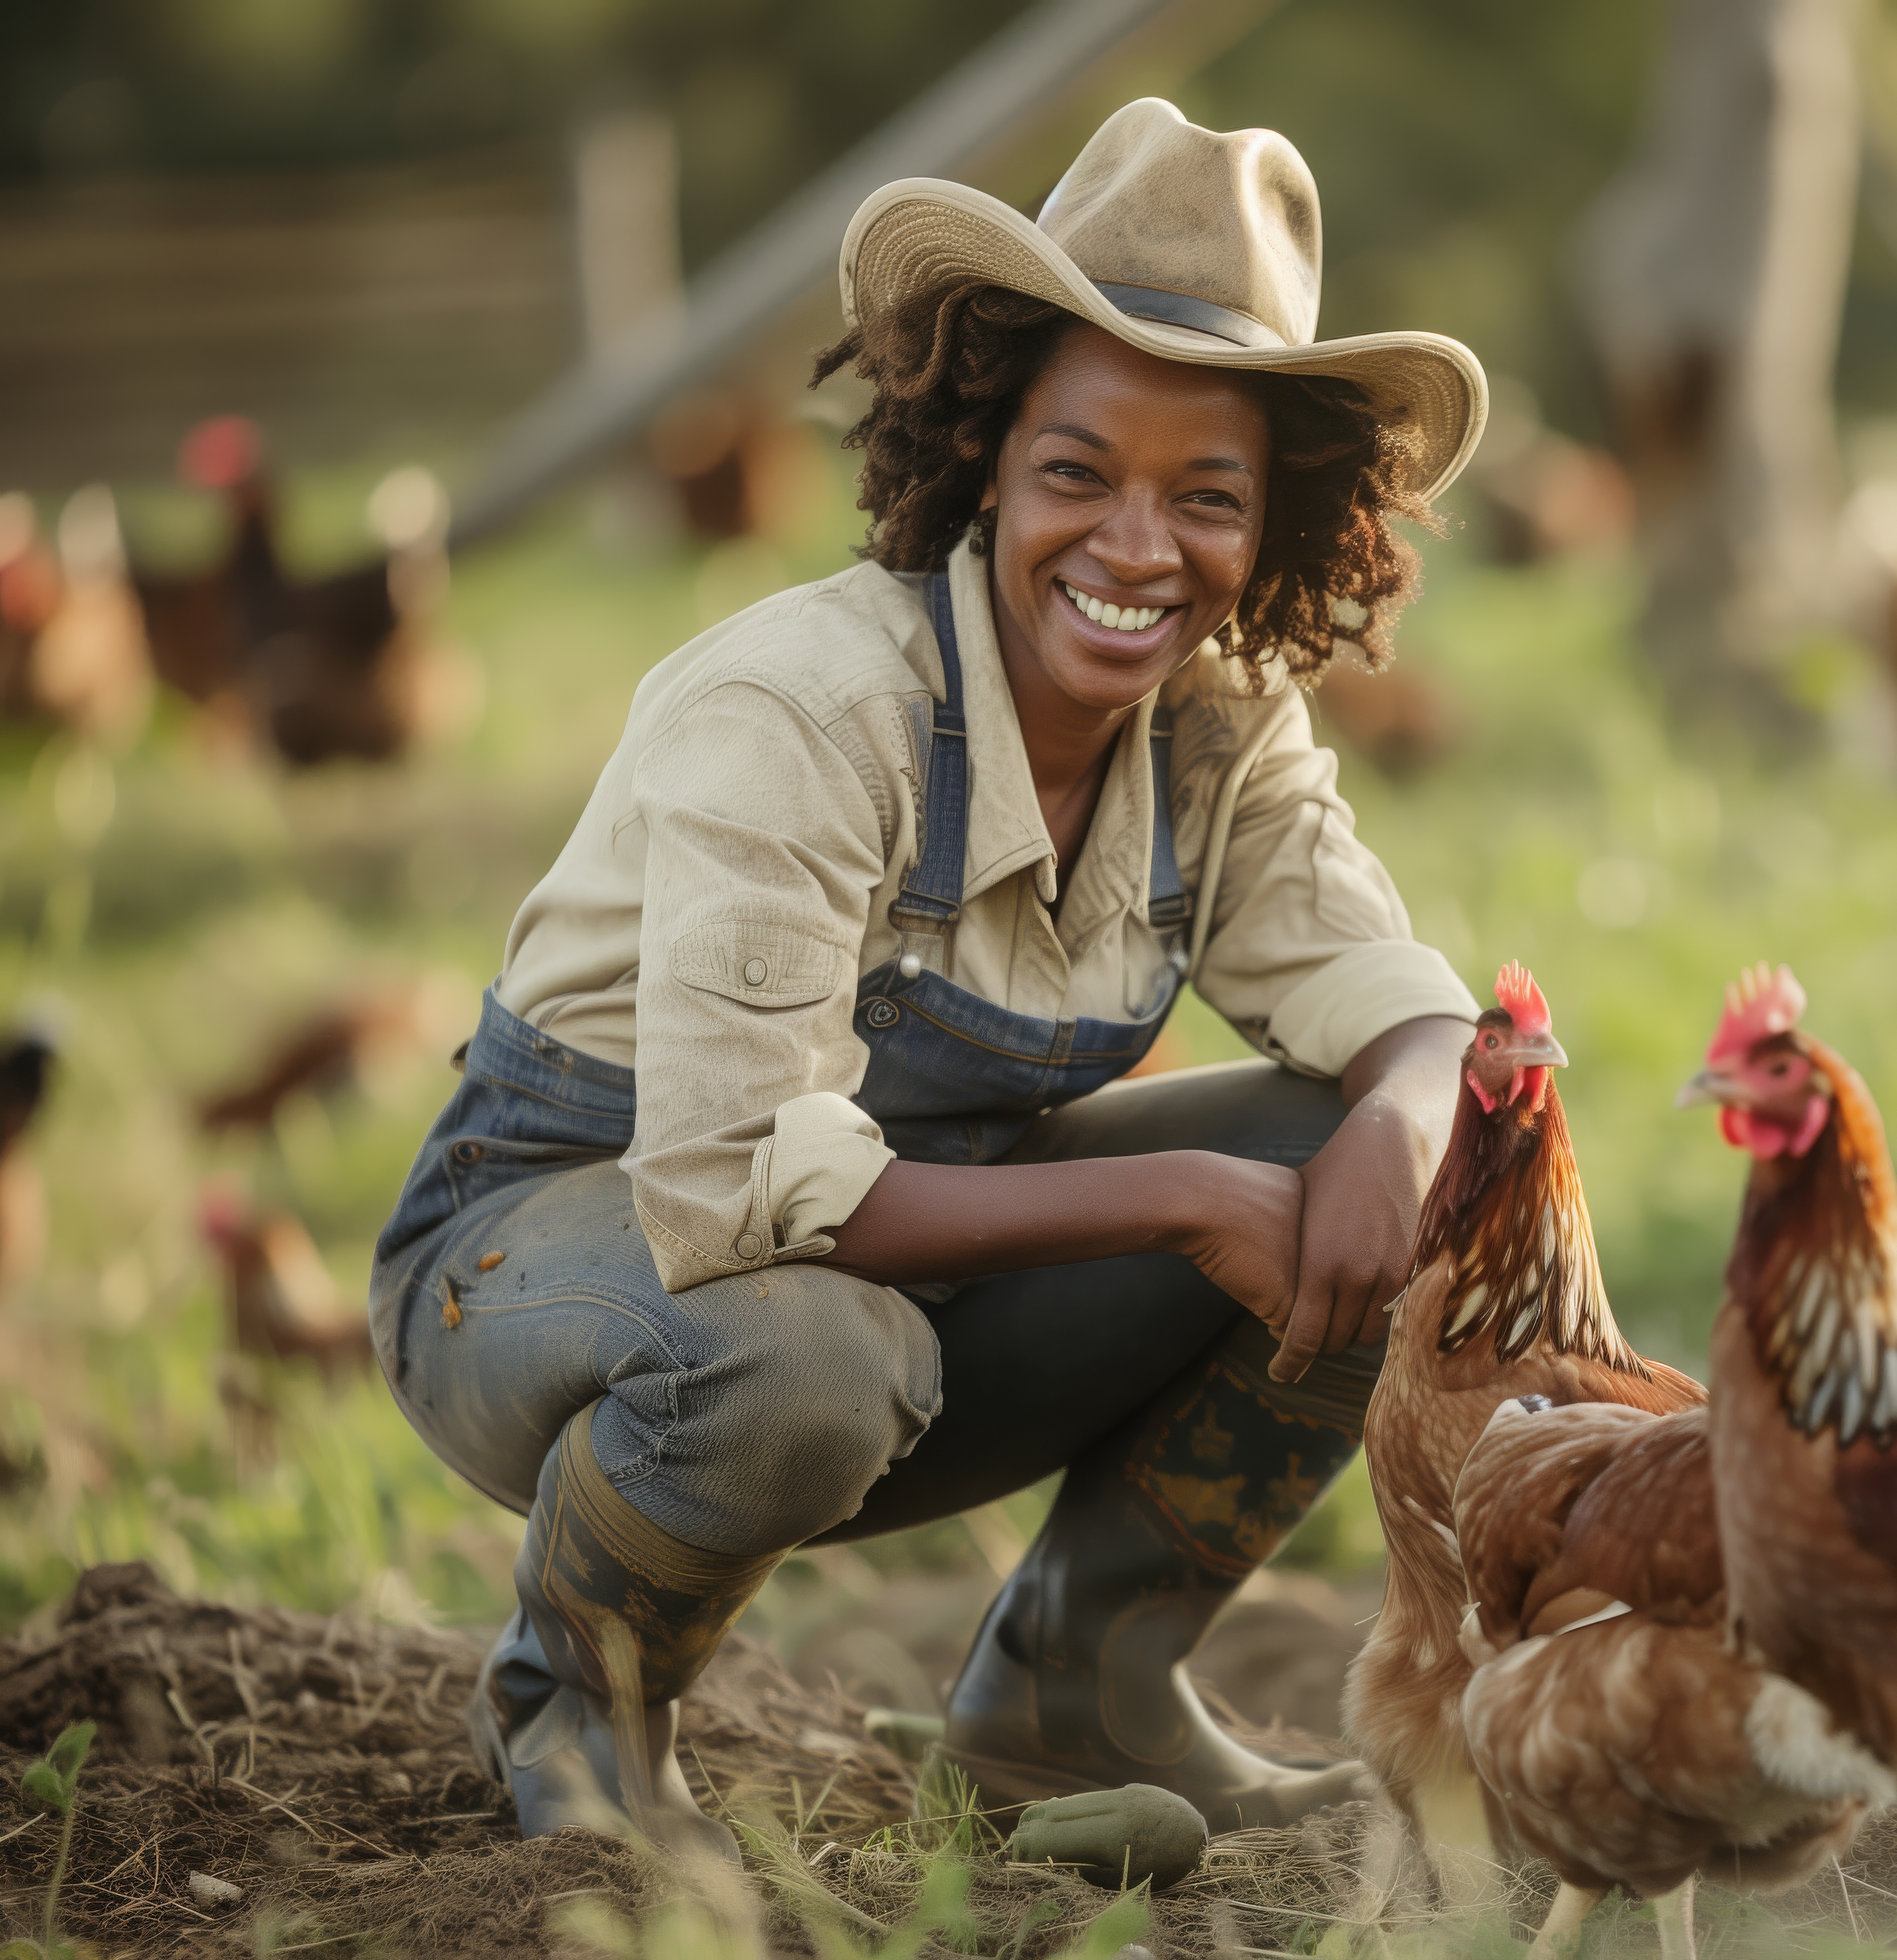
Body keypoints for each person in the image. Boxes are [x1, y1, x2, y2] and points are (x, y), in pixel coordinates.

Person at [367, 99, 1490, 1859]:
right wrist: (1190, 1194)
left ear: (1276, 524)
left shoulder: (1220, 731)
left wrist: (1409, 1122)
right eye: (1077, 474)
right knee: (812, 1353)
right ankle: (581, 1719)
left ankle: (1073, 1690)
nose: (1136, 548)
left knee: (1415, 1170)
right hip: (567, 1258)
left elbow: (1388, 989)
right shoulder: (809, 713)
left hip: (920, 1257)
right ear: (982, 458)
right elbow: (737, 1188)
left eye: (1207, 497)